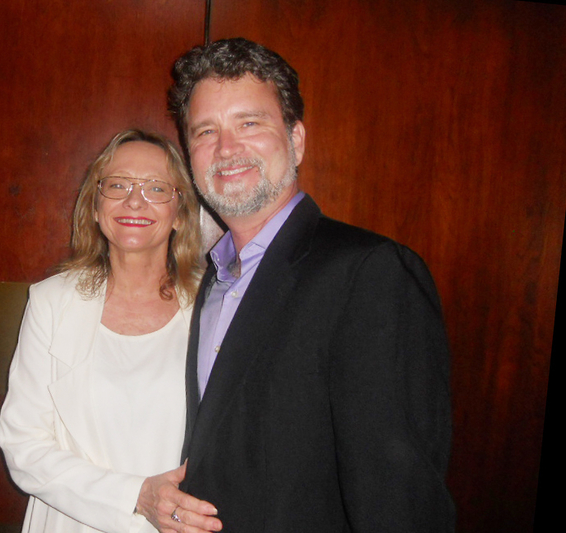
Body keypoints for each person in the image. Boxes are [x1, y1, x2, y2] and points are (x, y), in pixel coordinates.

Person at [161, 38, 457, 532]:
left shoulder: (369, 273)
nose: (226, 148)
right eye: (205, 131)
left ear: (296, 140)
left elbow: (399, 499)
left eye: (249, 123)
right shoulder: (213, 280)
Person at [0, 129, 222, 533]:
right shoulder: (51, 302)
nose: (134, 200)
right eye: (118, 185)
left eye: (156, 188)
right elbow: (23, 445)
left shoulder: (214, 306)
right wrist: (136, 496)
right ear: (96, 206)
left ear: (180, 213)